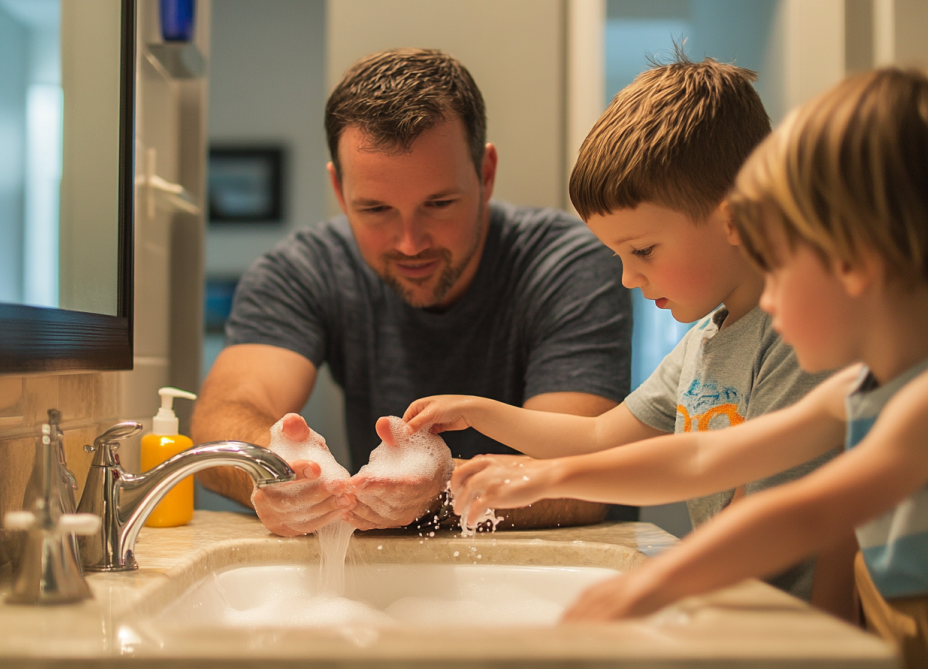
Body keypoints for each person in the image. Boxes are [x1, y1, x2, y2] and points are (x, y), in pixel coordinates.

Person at [440, 68, 928, 664]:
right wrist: (549, 475)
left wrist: (656, 584)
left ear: (854, 264)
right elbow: (700, 457)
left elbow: (811, 515)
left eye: (781, 261)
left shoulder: (916, 406)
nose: (770, 295)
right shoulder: (854, 390)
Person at [191, 48, 632, 537]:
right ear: (339, 191)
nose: (409, 243)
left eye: (438, 204)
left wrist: (439, 490)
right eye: (376, 210)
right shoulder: (301, 270)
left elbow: (583, 474)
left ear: (485, 174)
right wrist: (279, 472)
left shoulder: (567, 264)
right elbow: (222, 418)